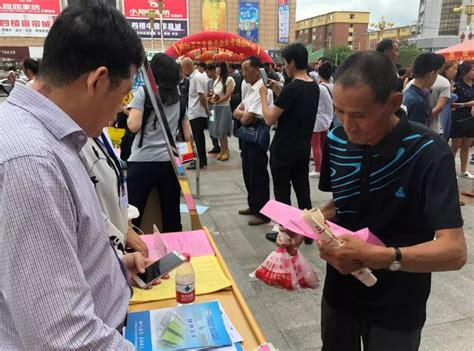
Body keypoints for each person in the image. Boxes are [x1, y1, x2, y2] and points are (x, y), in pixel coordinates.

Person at [282, 51, 466, 351]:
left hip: (398, 303)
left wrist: (380, 256)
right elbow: (342, 203)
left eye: (359, 115)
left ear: (393, 103)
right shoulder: (338, 140)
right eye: (340, 112)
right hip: (340, 295)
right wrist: (305, 224)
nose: (347, 125)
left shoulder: (428, 153)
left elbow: (454, 251)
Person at [0, 1, 149, 349]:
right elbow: (62, 336)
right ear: (97, 81)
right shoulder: (30, 162)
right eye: (123, 94)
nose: (119, 111)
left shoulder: (48, 137)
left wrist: (112, 269)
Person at [259, 43, 319, 243]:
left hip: (283, 148)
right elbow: (295, 106)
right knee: (303, 189)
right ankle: (310, 232)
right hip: (302, 147)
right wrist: (279, 90)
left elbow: (269, 118)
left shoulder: (292, 88)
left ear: (292, 62)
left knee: (282, 191)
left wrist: (263, 97)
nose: (284, 67)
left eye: (284, 63)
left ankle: (285, 232)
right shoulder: (313, 86)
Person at [127, 53, 184, 232]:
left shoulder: (143, 93)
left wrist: (128, 112)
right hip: (171, 163)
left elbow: (134, 126)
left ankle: (133, 250)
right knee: (171, 212)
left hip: (142, 161)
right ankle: (176, 249)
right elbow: (187, 134)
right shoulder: (179, 97)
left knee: (134, 211)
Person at [80, 130, 149, 258]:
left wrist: (127, 228)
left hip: (114, 250)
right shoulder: (73, 143)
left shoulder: (98, 129)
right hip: (100, 255)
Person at [233, 56, 273, 226]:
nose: (243, 73)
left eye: (246, 69)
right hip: (247, 138)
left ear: (257, 70)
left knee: (258, 175)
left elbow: (247, 118)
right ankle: (253, 205)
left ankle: (263, 212)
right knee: (248, 172)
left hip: (257, 137)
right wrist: (243, 114)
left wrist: (243, 114)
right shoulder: (250, 89)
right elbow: (236, 112)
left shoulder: (264, 90)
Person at [181, 57, 210, 169]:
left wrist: (207, 110)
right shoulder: (198, 76)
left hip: (197, 112)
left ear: (187, 67)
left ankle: (200, 161)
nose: (182, 71)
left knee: (198, 138)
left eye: (182, 68)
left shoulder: (196, 78)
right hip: (197, 111)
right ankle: (202, 160)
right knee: (199, 138)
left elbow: (202, 96)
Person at [402, 52, 444, 125]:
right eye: (437, 74)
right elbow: (417, 132)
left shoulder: (407, 93)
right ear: (432, 74)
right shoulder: (419, 101)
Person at [450, 60, 474, 179]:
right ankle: (450, 170)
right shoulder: (457, 85)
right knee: (455, 146)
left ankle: (464, 170)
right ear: (465, 71)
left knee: (466, 146)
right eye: (472, 70)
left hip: (471, 119)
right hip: (458, 118)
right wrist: (466, 104)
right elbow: (450, 104)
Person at [310, 60, 334, 178]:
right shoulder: (332, 86)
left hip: (318, 120)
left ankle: (318, 169)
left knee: (315, 145)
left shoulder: (320, 88)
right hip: (327, 119)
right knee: (323, 145)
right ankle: (324, 166)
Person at [208, 61, 235, 161]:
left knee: (222, 130)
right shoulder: (217, 80)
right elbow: (215, 93)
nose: (216, 70)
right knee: (216, 129)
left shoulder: (229, 79)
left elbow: (228, 95)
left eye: (217, 68)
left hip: (224, 107)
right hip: (216, 107)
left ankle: (226, 151)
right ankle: (221, 150)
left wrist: (217, 101)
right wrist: (212, 97)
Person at [440, 60, 459, 141]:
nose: (455, 72)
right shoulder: (443, 82)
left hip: (447, 110)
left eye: (457, 69)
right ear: (445, 69)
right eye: (453, 69)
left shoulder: (449, 82)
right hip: (442, 110)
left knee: (446, 135)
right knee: (442, 133)